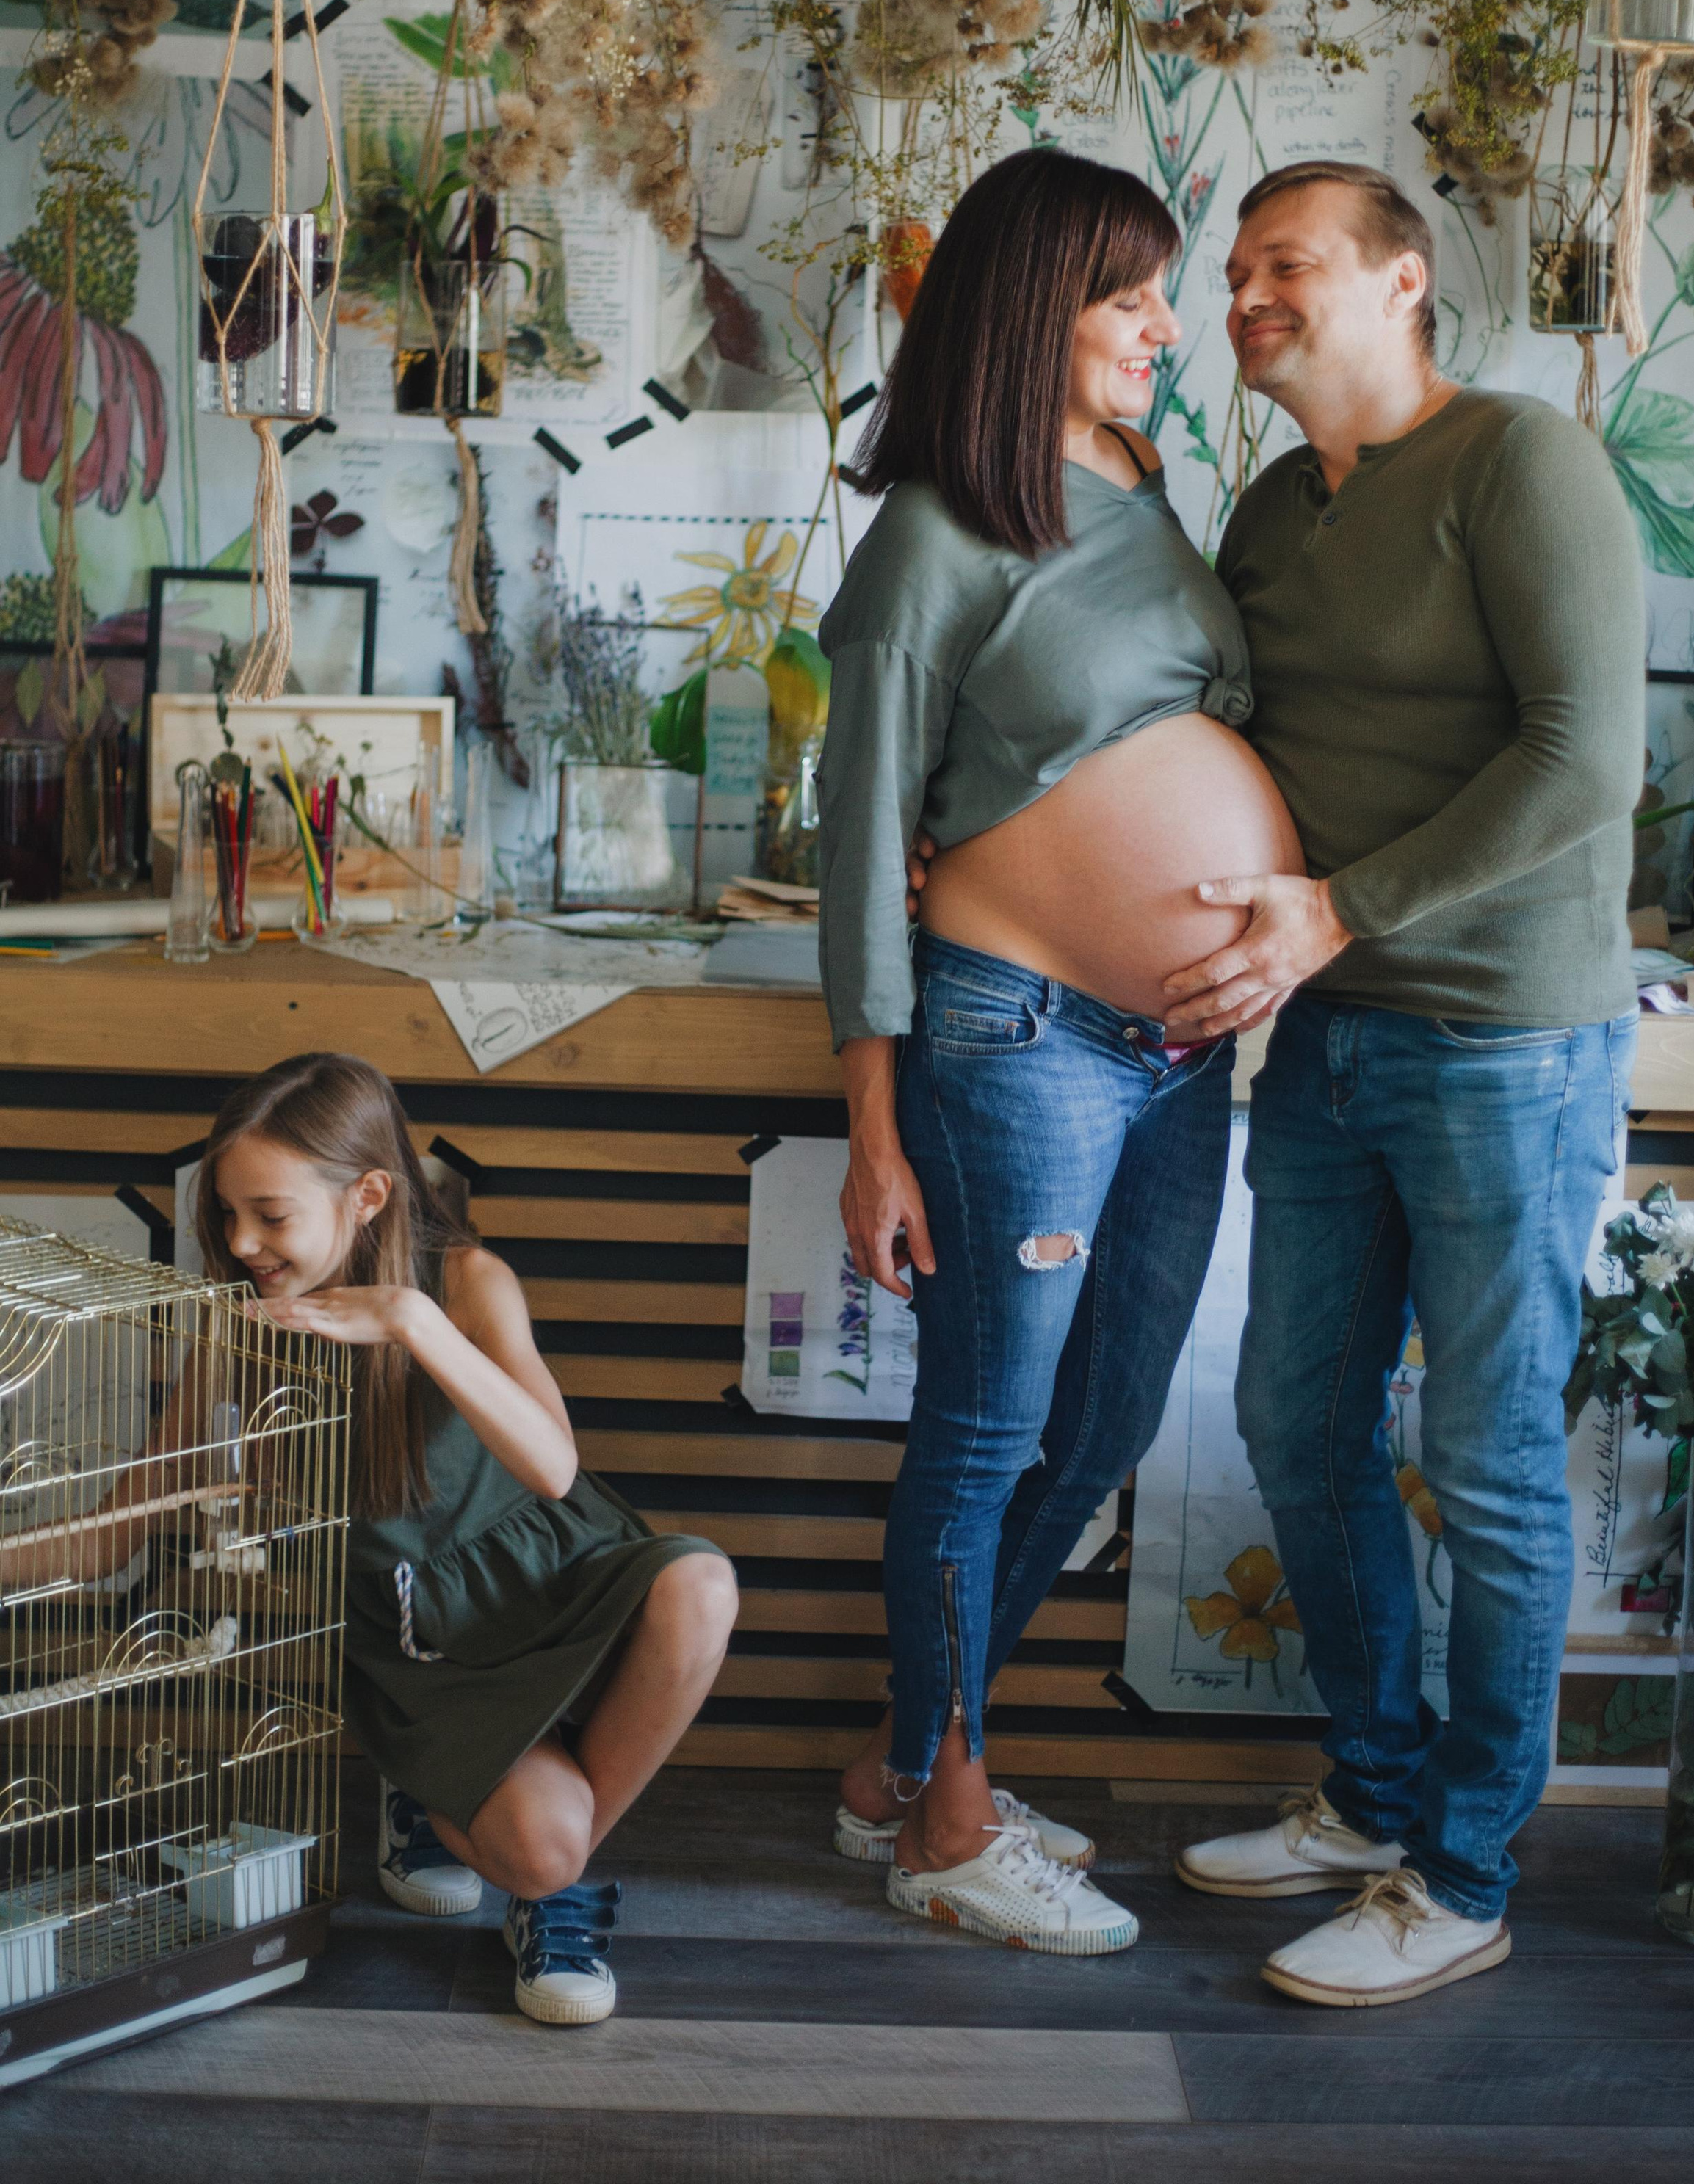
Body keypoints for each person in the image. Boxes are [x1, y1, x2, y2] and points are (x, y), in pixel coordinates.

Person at [1162, 159, 1643, 2008]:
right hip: (1328, 1028)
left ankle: (1461, 1867)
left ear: (1403, 281)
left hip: (1504, 1041)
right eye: (1232, 274)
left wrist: (1336, 912)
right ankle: (1369, 1797)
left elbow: (1584, 755)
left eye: (1284, 264)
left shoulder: (1521, 463)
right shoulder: (1275, 503)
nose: (1244, 298)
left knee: (1490, 1467)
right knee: (1293, 1418)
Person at [817, 145, 1303, 1955]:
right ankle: (946, 1819)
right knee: (987, 1424)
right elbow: (867, 847)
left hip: (1173, 1052)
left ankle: (899, 1765)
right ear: (1031, 312)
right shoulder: (932, 540)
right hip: (1010, 1040)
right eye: (1124, 296)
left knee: (1097, 1426)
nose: (1165, 329)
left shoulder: (1144, 487)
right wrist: (873, 1126)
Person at [5, 1051, 740, 2028]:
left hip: (553, 1581)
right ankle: (519, 1854)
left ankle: (547, 1893)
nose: (241, 1240)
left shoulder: (468, 1282)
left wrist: (411, 1320)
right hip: (419, 1641)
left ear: (369, 1195)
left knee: (702, 1584)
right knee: (542, 1847)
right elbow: (116, 1533)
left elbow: (555, 1468)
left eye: (270, 1214)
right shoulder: (243, 1325)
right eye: (227, 1214)